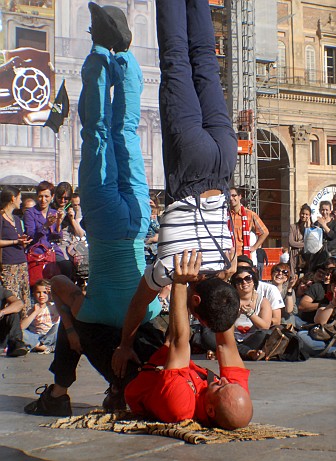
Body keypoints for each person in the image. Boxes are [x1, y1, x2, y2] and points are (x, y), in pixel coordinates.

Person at [25, 3, 163, 417]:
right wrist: (70, 323)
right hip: (103, 225)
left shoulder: (150, 312)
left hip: (139, 221)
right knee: (96, 135)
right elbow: (57, 280)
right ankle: (101, 52)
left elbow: (167, 289)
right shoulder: (95, 311)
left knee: (126, 135)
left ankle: (124, 58)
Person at [112, 0, 240, 377]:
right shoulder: (171, 268)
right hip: (191, 169)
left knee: (207, 66)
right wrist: (124, 343)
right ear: (195, 300)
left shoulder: (226, 262)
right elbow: (139, 304)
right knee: (176, 62)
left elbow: (223, 315)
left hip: (224, 163)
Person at [125, 250, 253, 428]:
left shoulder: (180, 407)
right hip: (169, 356)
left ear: (210, 410)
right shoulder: (235, 394)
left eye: (220, 387)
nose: (224, 381)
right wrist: (222, 284)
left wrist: (180, 281)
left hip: (141, 367)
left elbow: (177, 341)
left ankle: (115, 388)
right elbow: (226, 344)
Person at [0, 186, 31, 314]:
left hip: (21, 262)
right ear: (13, 198)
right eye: (20, 198)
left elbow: (19, 240)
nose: (21, 201)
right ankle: (11, 329)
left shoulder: (17, 220)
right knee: (12, 297)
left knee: (25, 296)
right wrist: (15, 241)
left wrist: (22, 242)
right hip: (8, 264)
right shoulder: (1, 218)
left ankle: (24, 327)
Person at [228, 186, 268, 260]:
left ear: (240, 196)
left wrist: (254, 248)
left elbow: (264, 232)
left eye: (234, 195)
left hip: (243, 256)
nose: (231, 198)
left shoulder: (250, 214)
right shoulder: (225, 215)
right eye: (229, 196)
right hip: (228, 256)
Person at [21, 279, 59, 353]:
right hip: (37, 337)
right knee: (20, 332)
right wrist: (35, 312)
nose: (41, 295)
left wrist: (53, 294)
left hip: (51, 335)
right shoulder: (32, 310)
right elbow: (22, 327)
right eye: (38, 292)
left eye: (45, 292)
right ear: (34, 294)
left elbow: (64, 302)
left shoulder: (55, 306)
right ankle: (44, 347)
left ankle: (40, 347)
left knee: (57, 327)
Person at [0, 285, 28, 357]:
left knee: (13, 314)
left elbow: (19, 304)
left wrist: (2, 312)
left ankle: (16, 343)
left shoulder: (2, 291)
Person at [289, 203, 312, 275]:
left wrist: (308, 227)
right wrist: (305, 244)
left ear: (309, 216)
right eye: (303, 213)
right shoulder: (293, 227)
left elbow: (312, 242)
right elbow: (291, 242)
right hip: (295, 255)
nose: (304, 216)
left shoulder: (313, 228)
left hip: (308, 256)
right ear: (300, 214)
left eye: (306, 214)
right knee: (294, 277)